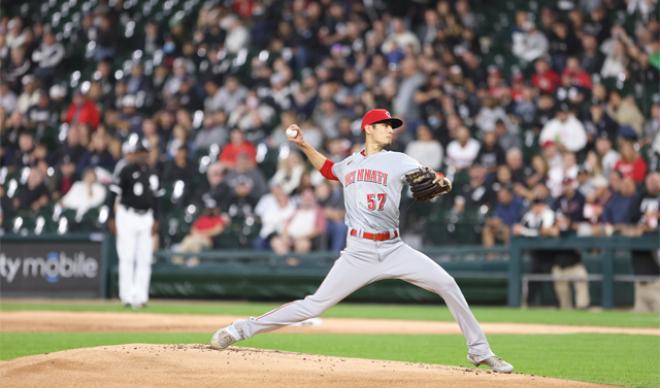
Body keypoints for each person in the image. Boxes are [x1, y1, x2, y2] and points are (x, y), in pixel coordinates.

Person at [210, 109, 513, 373]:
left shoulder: (398, 160)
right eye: (384, 124)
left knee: (447, 283)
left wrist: (444, 182)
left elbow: (433, 176)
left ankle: (480, 351)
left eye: (392, 125)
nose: (390, 129)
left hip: (394, 248)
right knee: (313, 306)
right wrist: (304, 145)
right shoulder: (350, 165)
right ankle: (240, 329)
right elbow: (329, 169)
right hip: (358, 252)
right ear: (368, 128)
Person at [106, 135, 160, 309]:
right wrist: (111, 217)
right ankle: (127, 296)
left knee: (145, 258)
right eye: (139, 152)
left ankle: (141, 296)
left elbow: (157, 199)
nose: (142, 155)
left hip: (146, 216)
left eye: (144, 152)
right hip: (127, 215)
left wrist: (157, 219)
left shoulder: (152, 172)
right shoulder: (125, 170)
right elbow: (113, 194)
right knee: (127, 257)